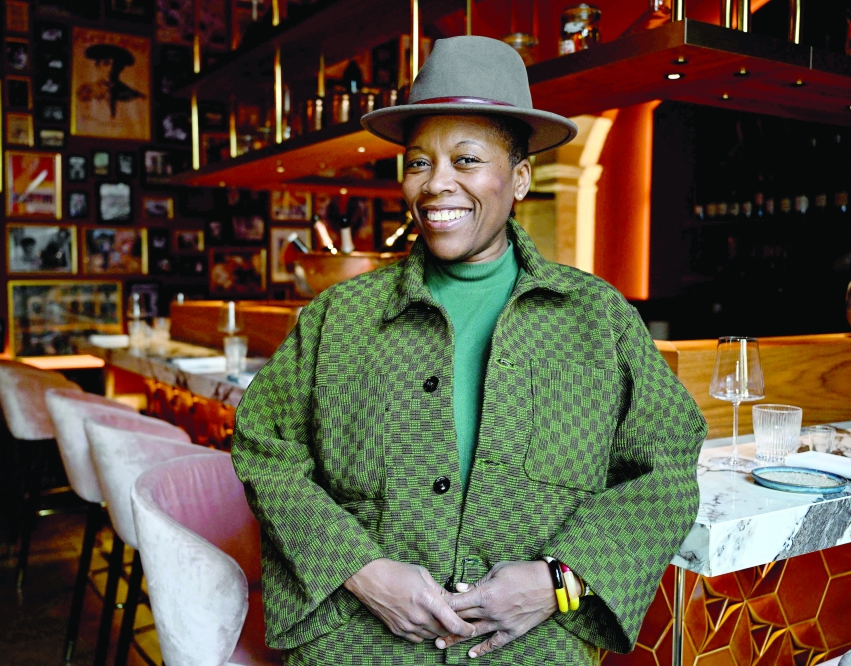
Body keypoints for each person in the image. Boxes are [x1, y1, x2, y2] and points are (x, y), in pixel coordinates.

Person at [232, 36, 708, 665]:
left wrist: (560, 583)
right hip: (360, 640)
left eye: (466, 159)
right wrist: (363, 570)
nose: (437, 186)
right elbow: (265, 450)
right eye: (418, 162)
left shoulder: (599, 320)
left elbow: (668, 467)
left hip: (535, 647)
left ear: (520, 178)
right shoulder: (337, 320)